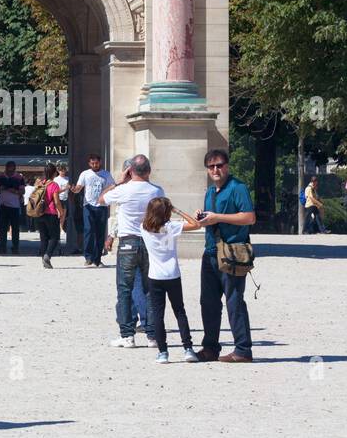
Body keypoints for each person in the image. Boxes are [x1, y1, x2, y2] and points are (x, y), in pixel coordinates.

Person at [195, 149, 256, 363]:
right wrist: (203, 218)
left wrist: (217, 217)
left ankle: (243, 350)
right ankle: (210, 348)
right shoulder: (210, 192)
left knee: (234, 301)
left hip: (232, 253)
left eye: (219, 165)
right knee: (208, 303)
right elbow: (211, 220)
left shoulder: (238, 188)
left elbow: (249, 217)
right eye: (211, 166)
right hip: (210, 252)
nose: (215, 169)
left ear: (227, 166)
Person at [101, 155, 163, 348]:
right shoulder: (157, 190)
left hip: (128, 243)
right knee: (151, 290)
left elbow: (100, 199)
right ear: (149, 171)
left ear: (130, 171)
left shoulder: (123, 190)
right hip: (150, 242)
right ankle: (152, 335)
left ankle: (127, 335)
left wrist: (119, 181)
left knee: (125, 290)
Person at [139, 196, 202, 363]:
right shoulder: (172, 227)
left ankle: (163, 352)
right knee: (179, 311)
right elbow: (196, 224)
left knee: (158, 315)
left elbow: (147, 221)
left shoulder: (143, 228)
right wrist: (178, 210)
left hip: (155, 275)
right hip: (172, 273)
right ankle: (188, 348)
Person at [76, 154, 115, 268]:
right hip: (88, 205)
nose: (94, 165)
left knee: (100, 233)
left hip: (102, 205)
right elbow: (79, 186)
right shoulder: (85, 174)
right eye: (92, 163)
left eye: (96, 163)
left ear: (100, 162)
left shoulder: (106, 174)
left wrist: (105, 191)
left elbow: (113, 185)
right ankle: (88, 257)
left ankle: (97, 259)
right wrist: (75, 190)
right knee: (88, 230)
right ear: (89, 164)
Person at [35, 164, 63, 269]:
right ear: (55, 173)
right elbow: (56, 201)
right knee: (55, 237)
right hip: (51, 213)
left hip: (40, 213)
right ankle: (48, 255)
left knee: (44, 238)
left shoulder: (39, 183)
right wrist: (61, 211)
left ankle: (43, 258)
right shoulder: (54, 185)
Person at [0, 162, 26, 254]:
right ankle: (2, 247)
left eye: (11, 169)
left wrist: (14, 191)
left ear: (14, 168)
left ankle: (15, 247)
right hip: (2, 204)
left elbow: (22, 191)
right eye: (8, 168)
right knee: (2, 228)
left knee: (15, 228)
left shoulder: (19, 178)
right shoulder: (0, 177)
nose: (9, 170)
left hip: (14, 205)